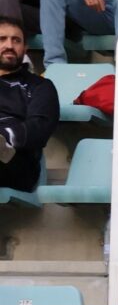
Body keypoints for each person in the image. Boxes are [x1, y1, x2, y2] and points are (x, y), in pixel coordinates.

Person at [0, 18, 55, 195]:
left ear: (25, 49)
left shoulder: (40, 86)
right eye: (2, 39)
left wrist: (5, 136)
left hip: (17, 162)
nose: (9, 45)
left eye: (16, 40)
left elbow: (39, 128)